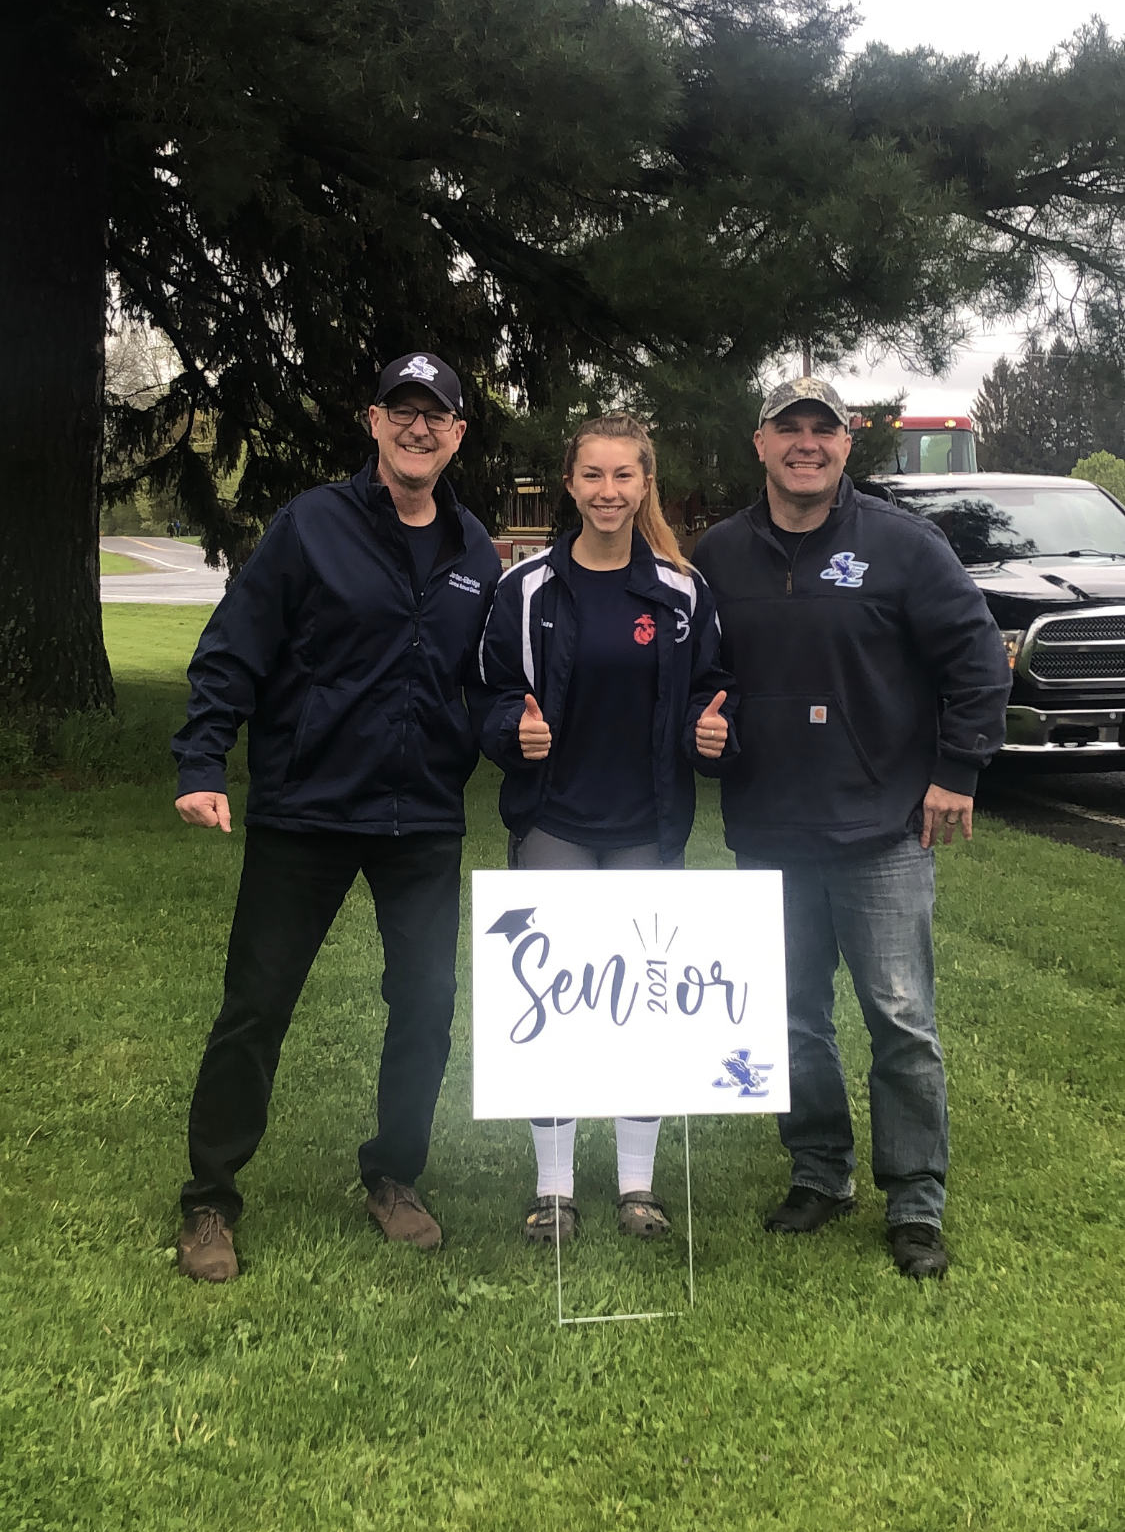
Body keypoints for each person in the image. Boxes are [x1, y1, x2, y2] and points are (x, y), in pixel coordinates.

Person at [171, 353, 500, 1281]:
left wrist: (517, 733)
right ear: (373, 422)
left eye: (436, 415)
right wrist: (203, 759)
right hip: (307, 810)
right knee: (256, 1006)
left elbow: (487, 683)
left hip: (421, 817)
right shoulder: (311, 524)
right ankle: (209, 1197)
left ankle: (393, 1174)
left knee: (427, 1007)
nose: (418, 427)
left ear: (457, 434)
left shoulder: (475, 550)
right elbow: (234, 646)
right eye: (402, 410)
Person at [693, 376, 1011, 1279]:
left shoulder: (904, 546)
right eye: (786, 428)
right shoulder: (718, 555)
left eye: (821, 430)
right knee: (790, 1019)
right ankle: (819, 1171)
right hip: (769, 827)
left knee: (901, 1020)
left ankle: (914, 1199)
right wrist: (702, 737)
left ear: (845, 446)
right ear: (757, 442)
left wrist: (956, 771)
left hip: (882, 829)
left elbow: (976, 658)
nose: (805, 443)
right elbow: (700, 682)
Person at [477, 412, 736, 1244]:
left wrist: (710, 728)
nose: (608, 492)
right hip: (554, 819)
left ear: (645, 484)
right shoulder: (524, 591)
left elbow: (711, 687)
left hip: (644, 828)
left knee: (644, 1008)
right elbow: (485, 695)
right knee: (550, 1004)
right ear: (569, 483)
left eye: (624, 475)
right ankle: (552, 1190)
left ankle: (637, 1188)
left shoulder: (680, 591)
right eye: (592, 475)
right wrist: (506, 735)